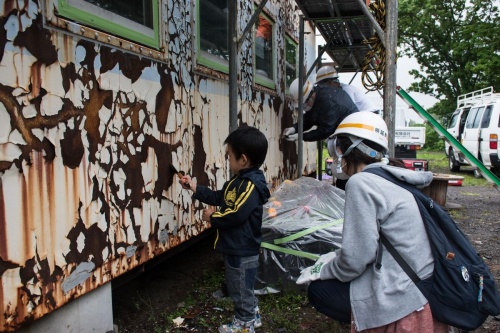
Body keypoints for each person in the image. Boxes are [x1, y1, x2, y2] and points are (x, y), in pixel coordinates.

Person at [296, 112, 448, 332]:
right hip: (422, 282)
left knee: (319, 291)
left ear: (347, 148)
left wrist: (323, 269)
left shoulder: (361, 183)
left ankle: (371, 321)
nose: (336, 156)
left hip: (402, 293)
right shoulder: (392, 175)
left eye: (337, 147)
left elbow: (356, 260)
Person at [179, 126, 271, 333]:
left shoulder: (250, 186)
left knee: (239, 289)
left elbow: (236, 213)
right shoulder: (238, 182)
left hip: (242, 249)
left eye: (229, 156)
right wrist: (194, 188)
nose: (227, 159)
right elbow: (220, 198)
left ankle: (244, 324)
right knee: (243, 287)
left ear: (243, 159)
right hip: (236, 246)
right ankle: (252, 314)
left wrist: (214, 217)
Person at [283, 77, 359, 142]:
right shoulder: (317, 98)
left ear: (311, 96)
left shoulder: (328, 102)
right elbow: (309, 119)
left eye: (304, 104)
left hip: (353, 133)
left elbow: (325, 131)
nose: (304, 107)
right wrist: (294, 128)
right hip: (342, 132)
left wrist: (301, 136)